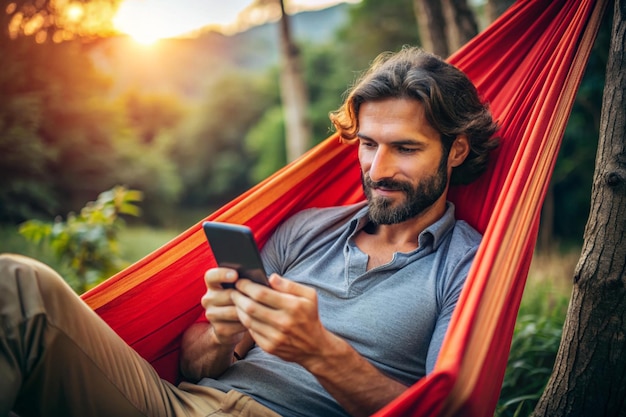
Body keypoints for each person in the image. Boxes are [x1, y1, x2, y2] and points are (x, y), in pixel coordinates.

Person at [0, 46, 498, 417]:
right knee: (17, 285)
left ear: (456, 151)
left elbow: (441, 412)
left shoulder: (465, 267)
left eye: (405, 149)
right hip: (178, 405)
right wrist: (224, 332)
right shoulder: (307, 229)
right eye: (368, 144)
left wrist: (320, 352)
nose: (377, 168)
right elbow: (194, 364)